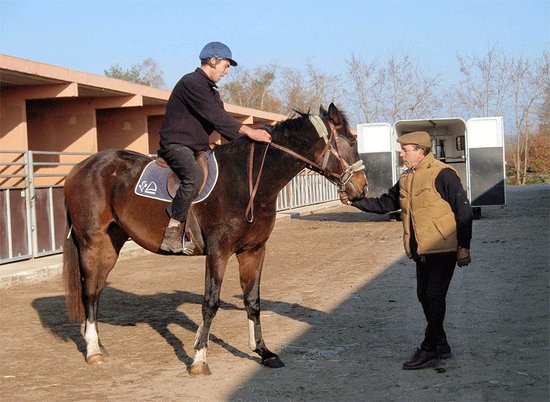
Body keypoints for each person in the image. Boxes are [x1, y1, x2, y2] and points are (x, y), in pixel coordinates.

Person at [339, 131, 473, 370]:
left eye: (405, 150)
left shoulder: (443, 174)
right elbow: (385, 204)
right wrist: (354, 201)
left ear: (420, 151)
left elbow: (463, 211)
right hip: (420, 250)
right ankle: (441, 343)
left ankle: (429, 347)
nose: (401, 154)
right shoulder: (406, 178)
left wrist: (464, 246)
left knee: (433, 296)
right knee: (424, 296)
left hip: (443, 248)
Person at [157, 41, 272, 253]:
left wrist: (251, 144)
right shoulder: (191, 83)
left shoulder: (212, 92)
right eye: (226, 65)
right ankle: (173, 231)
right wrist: (250, 131)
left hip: (197, 148)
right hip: (176, 146)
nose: (227, 71)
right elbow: (216, 116)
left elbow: (224, 126)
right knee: (194, 177)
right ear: (212, 60)